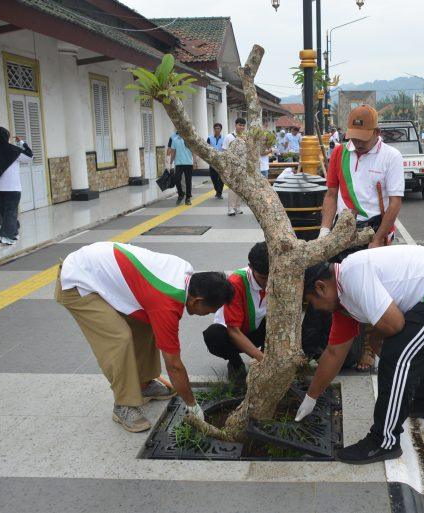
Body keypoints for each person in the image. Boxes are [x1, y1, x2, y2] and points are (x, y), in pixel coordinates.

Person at [299, 245, 424, 464]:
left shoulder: (352, 274)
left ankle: (383, 441)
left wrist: (376, 337)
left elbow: (394, 325)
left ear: (321, 287)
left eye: (312, 302)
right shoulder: (344, 300)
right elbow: (334, 353)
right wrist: (311, 398)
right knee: (414, 344)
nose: (317, 308)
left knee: (398, 357)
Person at [55, 241, 235, 432]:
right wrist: (192, 405)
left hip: (95, 269)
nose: (206, 315)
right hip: (76, 282)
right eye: (209, 311)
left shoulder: (185, 273)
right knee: (119, 338)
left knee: (147, 323)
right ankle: (123, 404)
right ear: (197, 301)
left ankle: (143, 384)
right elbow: (174, 364)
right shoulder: (166, 303)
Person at [318, 104, 405, 371]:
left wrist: (377, 239)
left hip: (375, 230)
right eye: (353, 137)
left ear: (377, 132)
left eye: (362, 138)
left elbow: (395, 202)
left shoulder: (391, 156)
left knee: (372, 292)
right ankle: (338, 344)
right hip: (344, 231)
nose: (356, 143)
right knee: (340, 288)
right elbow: (331, 194)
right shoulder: (339, 153)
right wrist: (324, 233)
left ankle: (368, 346)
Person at [203, 242, 269, 384]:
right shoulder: (236, 282)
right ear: (251, 267)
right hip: (232, 334)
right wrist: (263, 360)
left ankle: (265, 357)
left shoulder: (280, 278)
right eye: (263, 277)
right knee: (213, 335)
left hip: (256, 329)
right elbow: (234, 331)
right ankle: (235, 363)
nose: (267, 282)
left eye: (271, 276)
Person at [0, 127, 32, 246]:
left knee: (6, 213)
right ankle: (8, 237)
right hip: (12, 188)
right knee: (10, 213)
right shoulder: (14, 150)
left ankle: (12, 233)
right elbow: (30, 157)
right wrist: (21, 142)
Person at [223, 118, 246, 216]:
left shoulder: (245, 137)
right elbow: (224, 151)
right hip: (232, 167)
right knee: (232, 188)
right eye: (240, 125)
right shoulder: (229, 137)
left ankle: (237, 207)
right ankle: (230, 209)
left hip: (243, 166)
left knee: (240, 188)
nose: (242, 127)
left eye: (243, 125)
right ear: (235, 125)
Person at [169, 131, 195, 205]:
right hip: (178, 163)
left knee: (188, 181)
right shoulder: (175, 140)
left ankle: (188, 198)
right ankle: (180, 194)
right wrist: (170, 163)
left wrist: (194, 161)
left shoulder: (189, 139)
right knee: (177, 179)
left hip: (188, 163)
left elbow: (193, 151)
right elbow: (173, 152)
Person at [207, 123, 225, 199]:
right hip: (212, 161)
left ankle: (219, 193)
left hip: (221, 161)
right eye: (215, 128)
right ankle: (217, 190)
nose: (217, 130)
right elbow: (206, 148)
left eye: (218, 128)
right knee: (213, 178)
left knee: (221, 178)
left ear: (221, 129)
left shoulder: (224, 138)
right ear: (214, 129)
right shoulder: (209, 138)